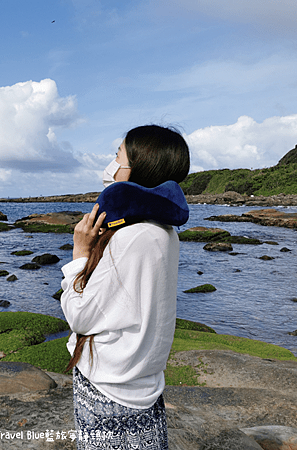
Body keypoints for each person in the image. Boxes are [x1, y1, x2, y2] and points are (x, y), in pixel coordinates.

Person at [60, 125, 190, 449]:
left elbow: (80, 315)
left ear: (139, 166)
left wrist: (79, 255)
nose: (111, 164)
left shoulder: (132, 238)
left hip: (110, 388)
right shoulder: (164, 231)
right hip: (142, 383)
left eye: (117, 155)